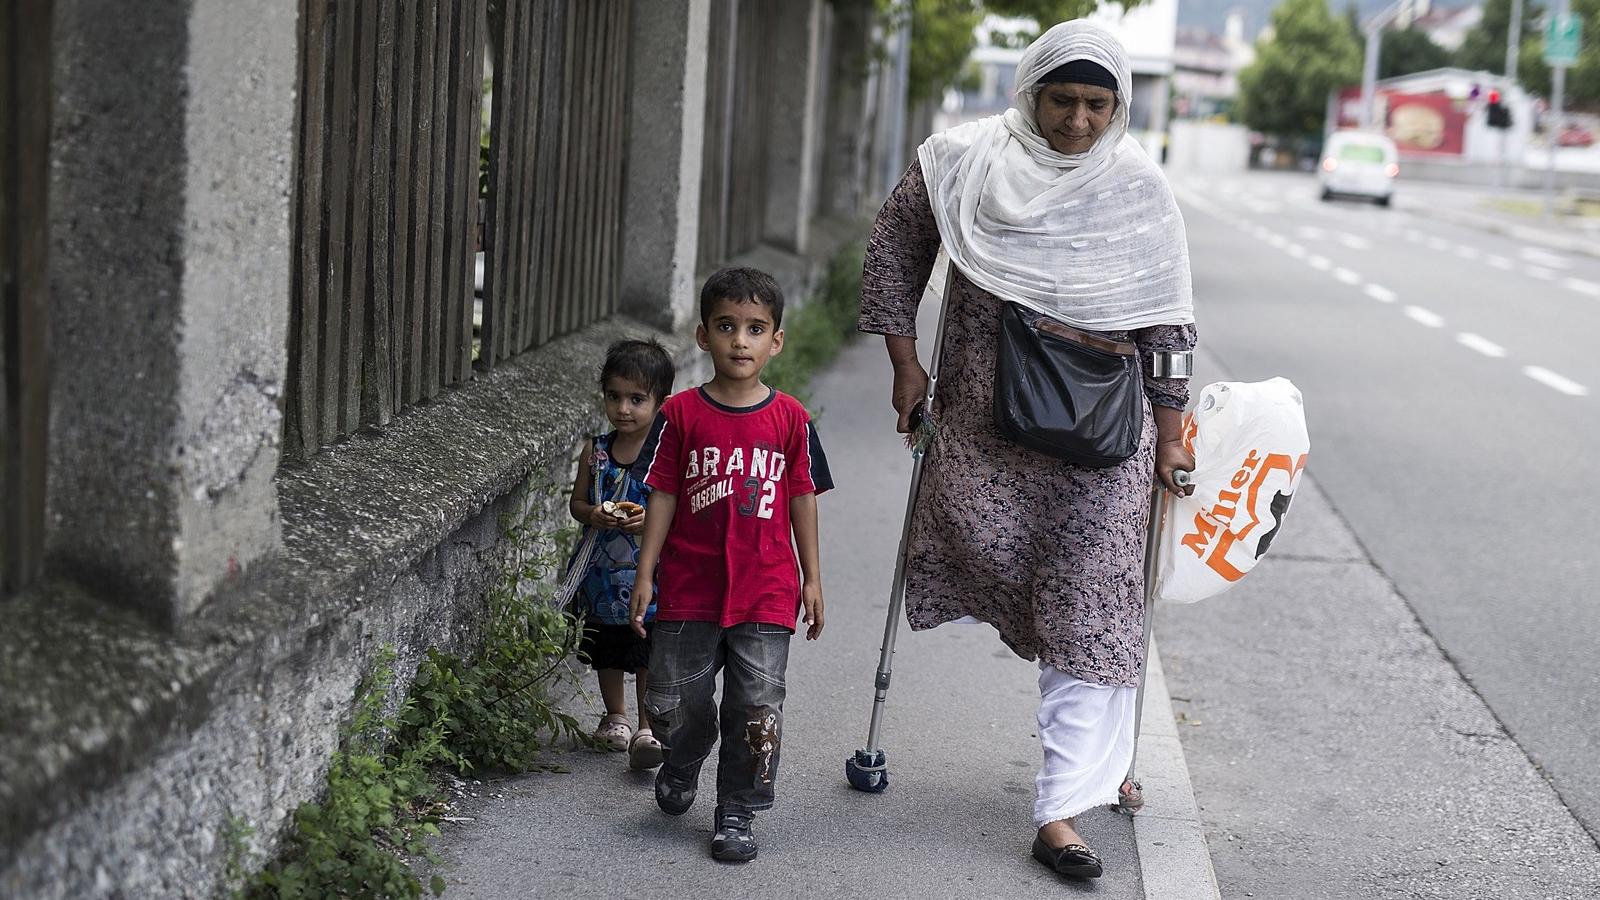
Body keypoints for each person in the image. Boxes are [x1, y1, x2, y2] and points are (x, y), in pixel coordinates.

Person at [857, 21, 1198, 881]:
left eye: (1096, 104)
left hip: (1103, 444)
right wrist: (906, 366)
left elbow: (1168, 321)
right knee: (996, 562)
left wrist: (1171, 433)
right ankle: (1077, 776)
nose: (1078, 121)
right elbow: (895, 250)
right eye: (1062, 100)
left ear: (1118, 107)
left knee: (1089, 608)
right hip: (984, 426)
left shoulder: (1138, 190)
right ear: (1028, 93)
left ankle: (1060, 811)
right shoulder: (965, 161)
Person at [628, 266, 832, 863]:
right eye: (726, 326)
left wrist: (813, 579)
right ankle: (685, 756)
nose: (739, 341)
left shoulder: (792, 419)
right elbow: (661, 494)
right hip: (690, 586)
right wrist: (645, 574)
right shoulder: (680, 416)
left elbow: (802, 497)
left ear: (776, 341)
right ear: (702, 336)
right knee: (676, 702)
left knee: (758, 708)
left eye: (754, 328)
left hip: (767, 589)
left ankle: (738, 807)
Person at [566, 338, 676, 771]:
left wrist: (648, 519)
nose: (623, 409)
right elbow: (576, 505)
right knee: (607, 647)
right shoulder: (594, 453)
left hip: (648, 575)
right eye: (614, 397)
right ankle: (615, 716)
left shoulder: (665, 456)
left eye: (636, 399)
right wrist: (593, 513)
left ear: (660, 403)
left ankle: (647, 726)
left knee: (647, 649)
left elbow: (676, 510)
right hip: (601, 573)